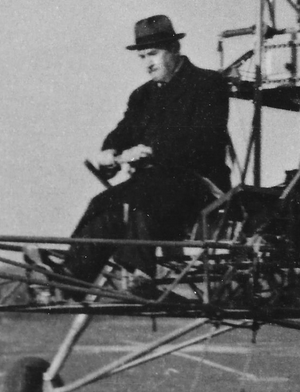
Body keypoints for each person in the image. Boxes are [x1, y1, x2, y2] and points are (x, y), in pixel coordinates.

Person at [61, 15, 231, 288]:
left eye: (153, 54)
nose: (147, 64)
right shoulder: (142, 96)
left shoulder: (208, 85)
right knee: (102, 204)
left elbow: (204, 140)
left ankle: (137, 274)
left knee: (139, 198)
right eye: (141, 57)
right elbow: (124, 129)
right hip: (154, 185)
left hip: (199, 184)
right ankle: (69, 279)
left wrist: (151, 151)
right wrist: (110, 150)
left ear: (174, 49)